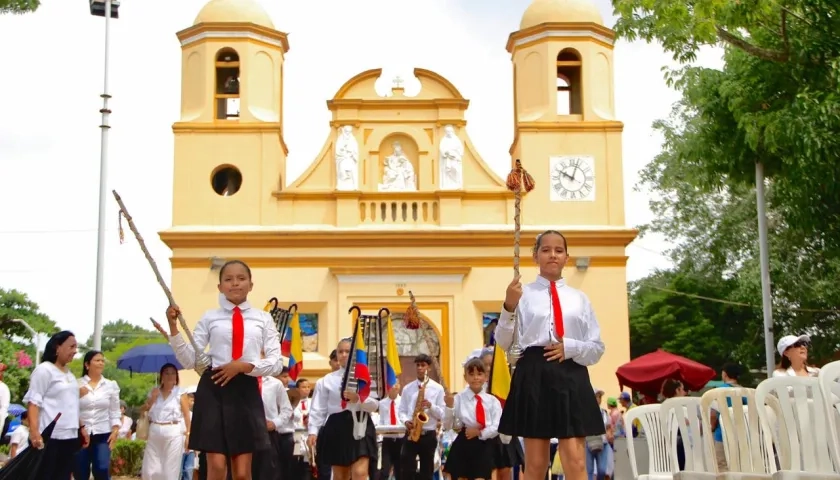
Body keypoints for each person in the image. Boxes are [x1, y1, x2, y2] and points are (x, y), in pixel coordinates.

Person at [495, 230, 606, 480]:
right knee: (535, 464)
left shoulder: (580, 299)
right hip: (534, 374)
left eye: (558, 250)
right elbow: (504, 342)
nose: (552, 255)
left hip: (571, 373)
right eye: (545, 250)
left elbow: (596, 348)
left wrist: (570, 348)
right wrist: (508, 307)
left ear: (567, 256)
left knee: (576, 460)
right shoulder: (521, 296)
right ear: (535, 256)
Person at [167, 259, 282, 480]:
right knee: (217, 467)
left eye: (241, 278)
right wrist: (174, 327)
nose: (235, 283)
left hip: (245, 390)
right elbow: (190, 359)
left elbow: (276, 362)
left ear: (251, 284)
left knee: (241, 472)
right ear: (220, 287)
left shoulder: (262, 318)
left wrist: (243, 366)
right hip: (214, 388)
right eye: (228, 279)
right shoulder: (210, 317)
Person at [307, 338, 379, 480]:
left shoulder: (366, 378)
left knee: (360, 473)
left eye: (348, 351)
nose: (344, 355)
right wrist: (313, 431)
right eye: (341, 351)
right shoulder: (326, 380)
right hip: (337, 426)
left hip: (360, 425)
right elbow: (318, 408)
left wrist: (358, 398)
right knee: (340, 476)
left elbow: (375, 405)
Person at [23, 331, 89, 479]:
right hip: (49, 438)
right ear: (57, 347)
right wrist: (34, 432)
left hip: (69, 436)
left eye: (76, 347)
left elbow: (71, 404)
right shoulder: (44, 370)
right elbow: (33, 402)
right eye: (71, 346)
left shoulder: (69, 374)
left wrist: (82, 428)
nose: (75, 351)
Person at [442, 358, 501, 480]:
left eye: (479, 374)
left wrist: (480, 432)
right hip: (465, 443)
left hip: (485, 444)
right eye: (471, 374)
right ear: (465, 377)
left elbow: (497, 425)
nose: (476, 378)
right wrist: (449, 407)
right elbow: (448, 426)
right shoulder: (458, 398)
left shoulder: (492, 401)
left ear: (486, 377)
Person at [75, 350, 122, 480]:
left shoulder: (110, 385)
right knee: (80, 470)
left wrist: (115, 430)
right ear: (87, 365)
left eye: (102, 360)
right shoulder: (77, 384)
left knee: (102, 468)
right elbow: (70, 408)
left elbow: (114, 410)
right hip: (80, 433)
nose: (101, 363)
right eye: (97, 360)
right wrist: (76, 394)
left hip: (102, 433)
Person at [140, 363, 192, 480]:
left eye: (173, 373)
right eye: (167, 373)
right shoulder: (154, 392)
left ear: (177, 376)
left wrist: (188, 434)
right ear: (161, 376)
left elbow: (186, 415)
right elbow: (142, 410)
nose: (170, 375)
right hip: (155, 431)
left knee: (170, 471)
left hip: (173, 432)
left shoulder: (180, 392)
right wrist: (152, 398)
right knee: (150, 471)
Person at [399, 354, 447, 480]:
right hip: (411, 432)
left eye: (423, 365)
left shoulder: (438, 389)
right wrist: (406, 421)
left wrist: (431, 406)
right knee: (407, 469)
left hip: (428, 434)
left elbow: (442, 414)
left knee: (427, 470)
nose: (420, 368)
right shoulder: (407, 389)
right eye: (418, 365)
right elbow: (402, 411)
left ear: (429, 368)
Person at [253, 365, 294, 480]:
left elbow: (287, 409)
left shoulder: (275, 384)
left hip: (268, 434)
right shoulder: (241, 383)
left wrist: (275, 423)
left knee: (269, 472)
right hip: (246, 433)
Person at [709, 363, 744, 473]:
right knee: (741, 467)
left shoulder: (719, 391)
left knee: (722, 467)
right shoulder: (746, 391)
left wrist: (712, 427)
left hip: (722, 436)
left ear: (725, 374)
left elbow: (713, 415)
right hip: (742, 435)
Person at [377, 383, 403, 480]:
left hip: (401, 439)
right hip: (387, 440)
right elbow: (382, 420)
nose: (395, 386)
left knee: (400, 471)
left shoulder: (403, 401)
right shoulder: (382, 403)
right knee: (384, 471)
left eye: (397, 384)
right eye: (393, 384)